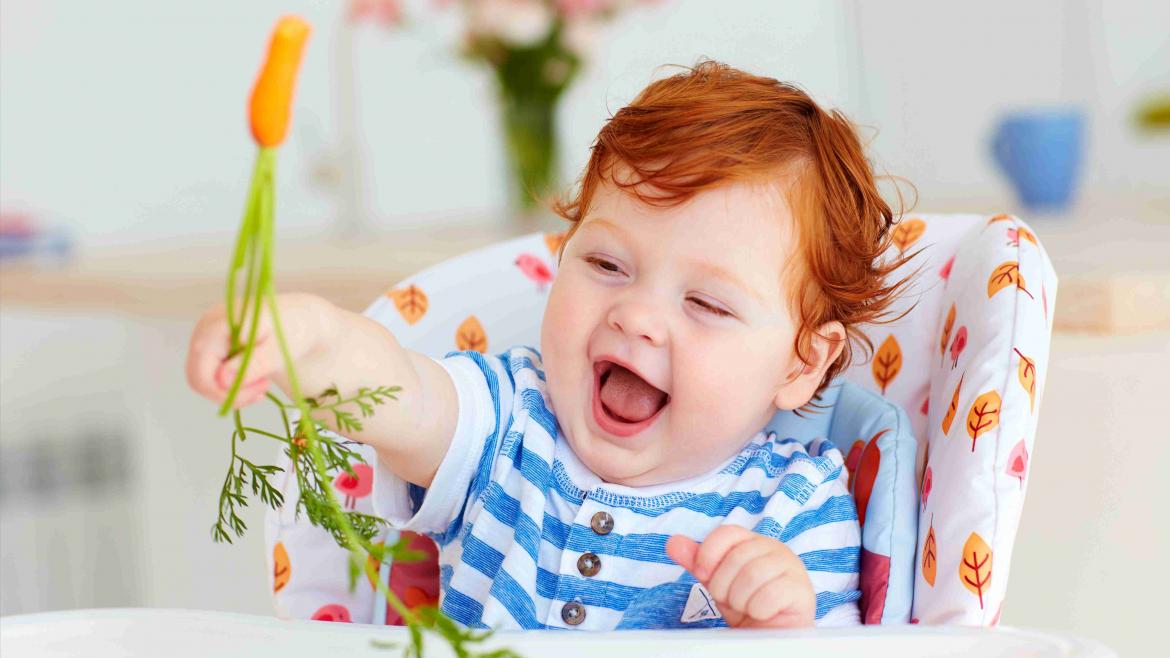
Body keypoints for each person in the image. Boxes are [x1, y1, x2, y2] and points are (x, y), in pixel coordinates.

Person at [187, 60, 914, 630]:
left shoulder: (795, 504)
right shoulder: (510, 422)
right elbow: (398, 394)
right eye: (605, 265)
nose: (637, 317)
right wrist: (306, 337)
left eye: (705, 302)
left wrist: (776, 622)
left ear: (801, 362)